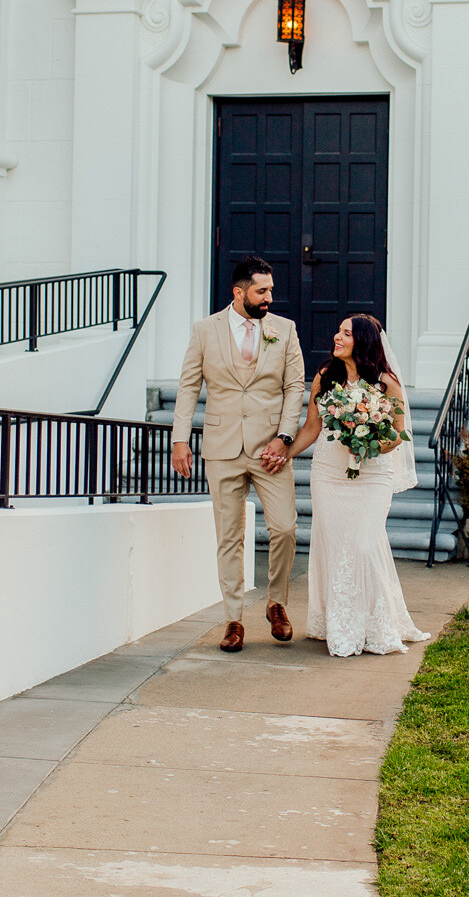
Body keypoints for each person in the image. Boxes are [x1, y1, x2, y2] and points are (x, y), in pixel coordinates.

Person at [171, 256, 305, 653]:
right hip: (222, 447)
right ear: (239, 292)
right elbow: (187, 387)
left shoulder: (285, 330)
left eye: (270, 290)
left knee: (284, 528)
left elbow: (295, 386)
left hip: (270, 450)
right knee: (229, 537)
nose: (269, 297)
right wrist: (180, 440)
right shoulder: (204, 330)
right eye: (262, 290)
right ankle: (233, 619)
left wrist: (284, 437)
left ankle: (276, 603)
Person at [281, 314, 430, 657]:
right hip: (329, 473)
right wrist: (284, 452)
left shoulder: (385, 384)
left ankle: (375, 626)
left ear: (361, 341)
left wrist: (368, 443)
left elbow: (399, 434)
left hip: (372, 474)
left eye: (346, 333)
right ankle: (340, 625)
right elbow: (311, 428)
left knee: (363, 544)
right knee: (335, 546)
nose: (337, 336)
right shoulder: (325, 377)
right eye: (338, 330)